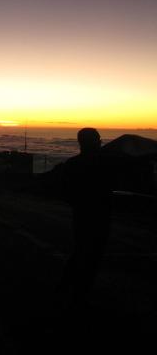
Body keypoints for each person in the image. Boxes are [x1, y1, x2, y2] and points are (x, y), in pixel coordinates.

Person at [60, 127, 117, 306]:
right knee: (92, 255)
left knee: (80, 252)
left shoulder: (72, 164)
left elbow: (66, 192)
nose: (100, 141)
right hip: (99, 216)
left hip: (81, 215)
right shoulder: (105, 163)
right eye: (98, 139)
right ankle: (79, 294)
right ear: (94, 141)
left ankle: (67, 289)